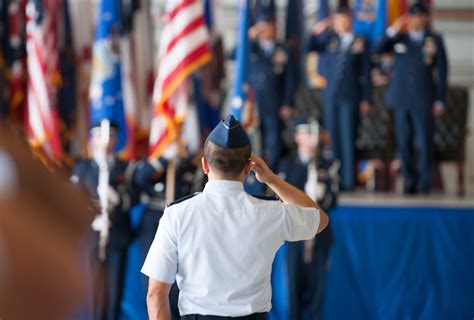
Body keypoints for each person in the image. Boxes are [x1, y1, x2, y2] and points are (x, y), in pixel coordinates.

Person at [142, 115, 329, 319]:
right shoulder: (272, 212)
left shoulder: (177, 214)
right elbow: (319, 219)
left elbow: (155, 294)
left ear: (204, 165)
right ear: (249, 168)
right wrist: (271, 178)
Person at [374, 2, 447, 194]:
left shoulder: (434, 40)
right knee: (403, 142)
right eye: (412, 16)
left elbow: (442, 72)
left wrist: (440, 100)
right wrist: (394, 29)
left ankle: (424, 182)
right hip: (401, 98)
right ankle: (408, 181)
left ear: (425, 18)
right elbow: (378, 49)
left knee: (424, 142)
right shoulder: (400, 38)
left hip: (424, 99)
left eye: (419, 16)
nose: (415, 20)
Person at [71, 122, 134, 320]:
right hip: (91, 236)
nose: (106, 141)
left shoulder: (126, 168)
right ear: (92, 139)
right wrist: (92, 216)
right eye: (100, 136)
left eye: (111, 136)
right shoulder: (82, 167)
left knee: (115, 289)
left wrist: (118, 199)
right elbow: (74, 198)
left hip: (116, 236)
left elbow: (135, 196)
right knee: (91, 290)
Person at [277, 118, 338, 319]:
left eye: (314, 133)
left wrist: (323, 196)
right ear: (297, 137)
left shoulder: (328, 165)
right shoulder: (287, 164)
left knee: (317, 295)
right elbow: (280, 199)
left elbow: (333, 199)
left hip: (319, 239)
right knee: (293, 293)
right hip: (296, 238)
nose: (312, 138)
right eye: (307, 133)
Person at [308, 6, 372, 191]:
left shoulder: (360, 43)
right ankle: (334, 180)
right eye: (338, 20)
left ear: (350, 21)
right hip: (331, 97)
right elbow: (309, 47)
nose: (341, 24)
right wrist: (317, 31)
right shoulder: (329, 40)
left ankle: (348, 181)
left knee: (348, 137)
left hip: (351, 96)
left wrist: (365, 99)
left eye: (345, 20)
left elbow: (366, 74)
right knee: (333, 138)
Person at [247, 0, 295, 169]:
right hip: (254, 102)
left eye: (268, 25)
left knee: (274, 138)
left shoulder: (283, 49)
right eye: (262, 26)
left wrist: (287, 103)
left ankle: (271, 173)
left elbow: (289, 80)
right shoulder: (252, 48)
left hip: (275, 101)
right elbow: (234, 57)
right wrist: (249, 39)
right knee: (256, 137)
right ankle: (254, 173)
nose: (265, 30)